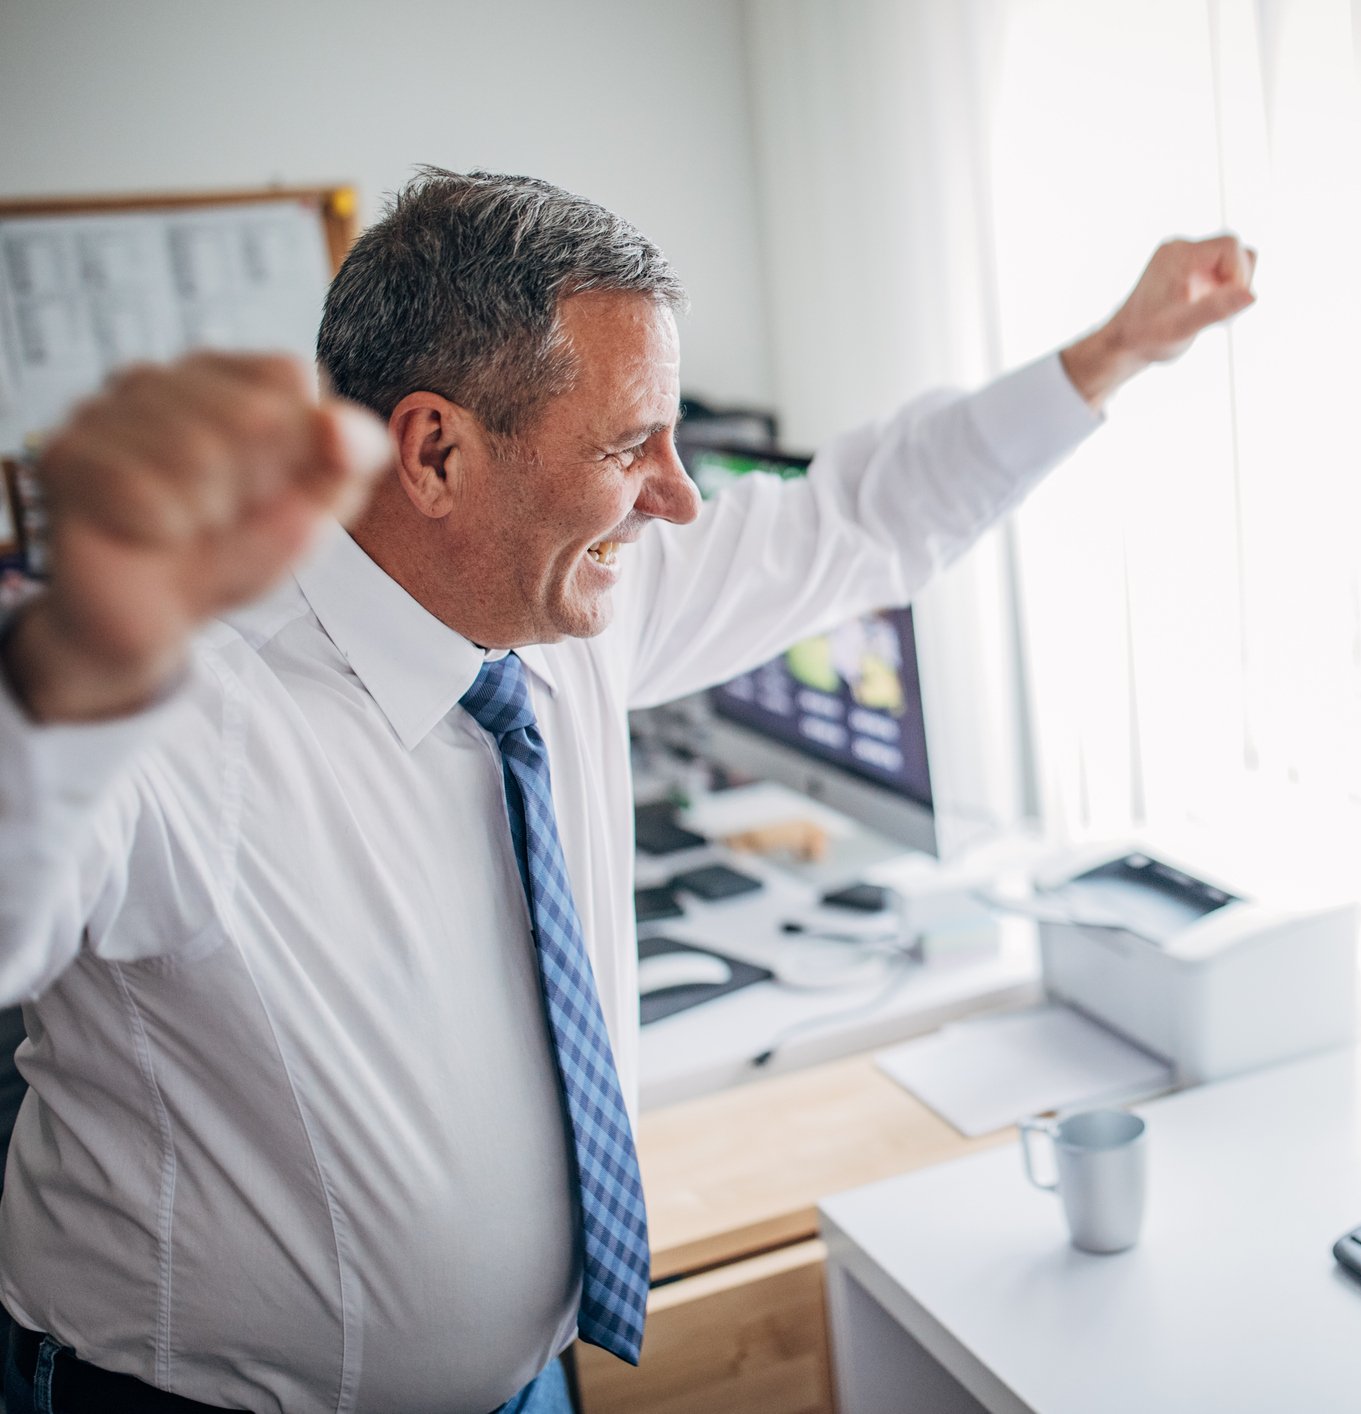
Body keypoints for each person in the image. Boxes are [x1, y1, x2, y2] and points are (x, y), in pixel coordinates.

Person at [0, 169, 1257, 1413]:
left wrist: (1117, 350)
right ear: (434, 450)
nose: (681, 492)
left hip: (531, 1384)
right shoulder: (161, 707)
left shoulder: (575, 606)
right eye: (626, 445)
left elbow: (859, 517)